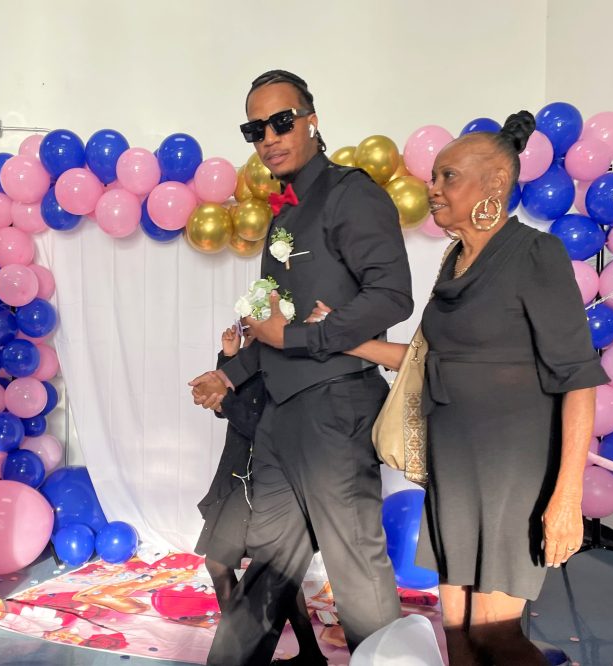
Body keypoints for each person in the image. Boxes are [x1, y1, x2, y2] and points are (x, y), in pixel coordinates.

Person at [308, 112, 608, 665]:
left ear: (494, 184)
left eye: (448, 177)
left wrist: (566, 498)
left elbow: (579, 379)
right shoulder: (452, 261)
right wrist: (340, 337)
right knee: (459, 634)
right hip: (453, 472)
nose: (433, 187)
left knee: (497, 637)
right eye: (435, 177)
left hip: (510, 477)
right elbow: (425, 360)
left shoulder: (534, 255)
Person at [190, 70, 413, 665]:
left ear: (311, 119)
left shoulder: (351, 193)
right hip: (279, 415)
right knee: (268, 561)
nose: (268, 136)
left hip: (336, 408)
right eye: (254, 128)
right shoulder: (282, 219)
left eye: (281, 121)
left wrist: (301, 334)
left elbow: (392, 296)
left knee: (354, 565)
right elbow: (270, 331)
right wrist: (230, 376)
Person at [195, 325, 326, 664]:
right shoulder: (251, 363)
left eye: (254, 328)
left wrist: (226, 394)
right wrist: (228, 357)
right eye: (247, 328)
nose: (249, 333)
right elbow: (225, 408)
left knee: (276, 573)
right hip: (239, 477)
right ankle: (255, 648)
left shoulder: (286, 370)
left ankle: (249, 650)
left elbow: (259, 426)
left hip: (266, 481)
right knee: (234, 566)